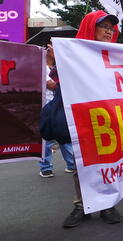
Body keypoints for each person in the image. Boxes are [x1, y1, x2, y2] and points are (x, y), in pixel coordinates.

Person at [46, 10, 123, 228]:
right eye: (104, 26)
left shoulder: (116, 54)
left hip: (108, 119)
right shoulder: (72, 53)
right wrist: (57, 61)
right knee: (83, 163)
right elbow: (57, 81)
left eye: (111, 27)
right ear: (91, 27)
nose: (109, 31)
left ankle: (107, 204)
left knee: (110, 161)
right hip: (82, 118)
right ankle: (83, 205)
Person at [39, 42, 75, 178]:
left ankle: (71, 164)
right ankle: (45, 167)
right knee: (46, 139)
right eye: (51, 47)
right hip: (45, 105)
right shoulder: (40, 67)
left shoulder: (55, 67)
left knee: (64, 135)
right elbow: (53, 85)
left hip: (60, 105)